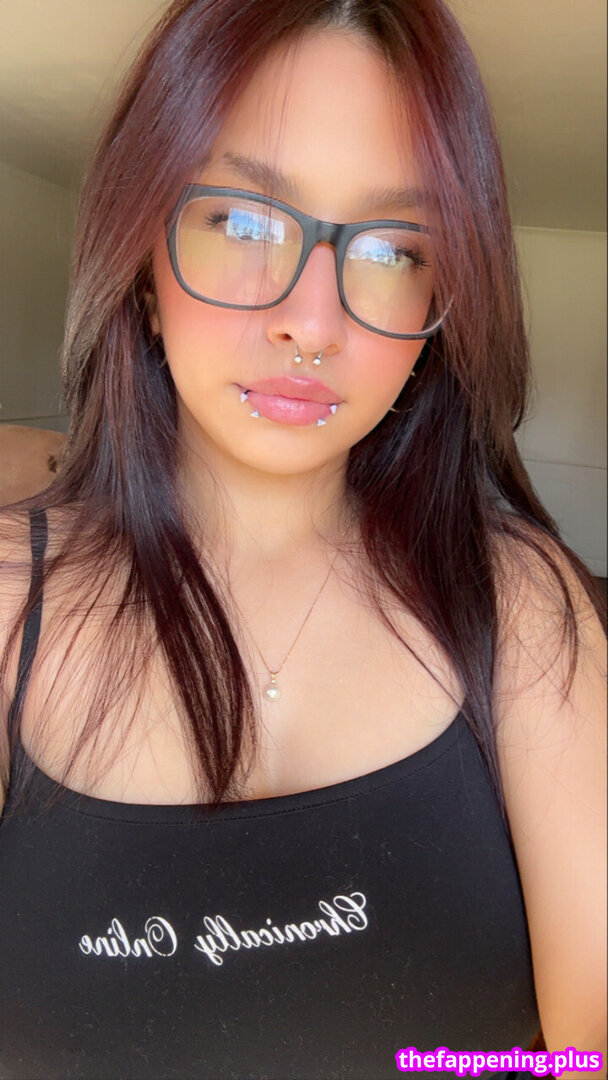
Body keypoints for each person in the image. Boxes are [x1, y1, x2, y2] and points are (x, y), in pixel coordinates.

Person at [0, 1, 605, 1078]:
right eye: (242, 222)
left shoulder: (521, 602)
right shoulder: (10, 604)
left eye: (392, 248)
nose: (313, 324)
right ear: (141, 263)